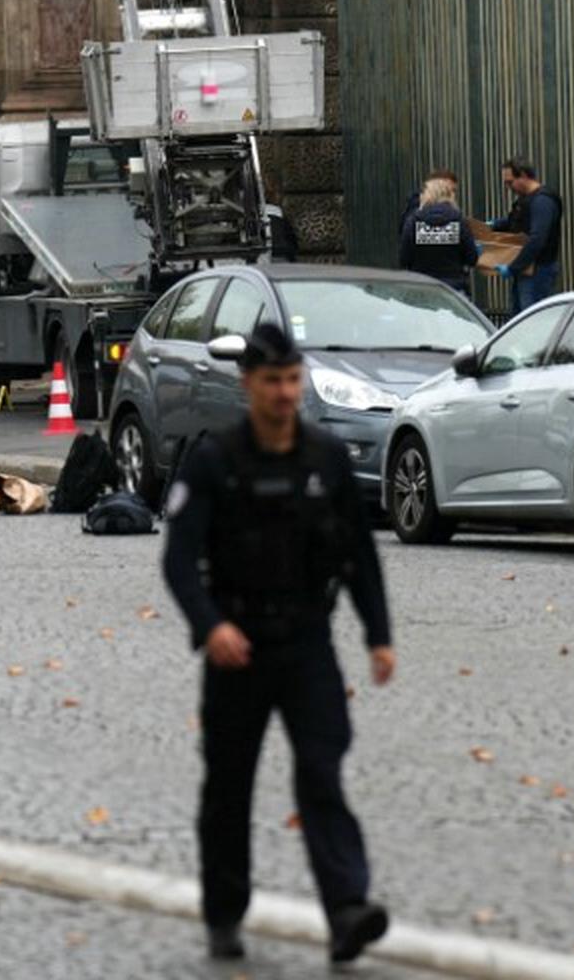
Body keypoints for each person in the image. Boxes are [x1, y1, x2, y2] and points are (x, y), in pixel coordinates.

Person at [162, 322, 395, 966]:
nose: (286, 393)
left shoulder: (324, 459)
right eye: (273, 382)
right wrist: (211, 627)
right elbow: (179, 561)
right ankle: (224, 915)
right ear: (249, 385)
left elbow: (357, 555)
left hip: (307, 643)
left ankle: (348, 907)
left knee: (322, 771)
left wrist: (379, 636)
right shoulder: (216, 460)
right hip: (237, 647)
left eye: (294, 380)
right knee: (229, 786)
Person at [487, 157, 563, 314]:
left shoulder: (542, 201)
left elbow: (537, 239)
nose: (508, 187)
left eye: (510, 182)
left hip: (538, 270)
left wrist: (513, 267)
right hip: (526, 269)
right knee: (520, 317)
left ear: (523, 175)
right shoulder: (526, 200)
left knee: (532, 319)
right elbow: (514, 222)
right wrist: (492, 226)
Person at [398, 171, 478, 291]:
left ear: (427, 195)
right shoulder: (458, 221)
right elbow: (472, 258)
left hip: (422, 285)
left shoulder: (414, 221)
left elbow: (404, 258)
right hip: (453, 288)